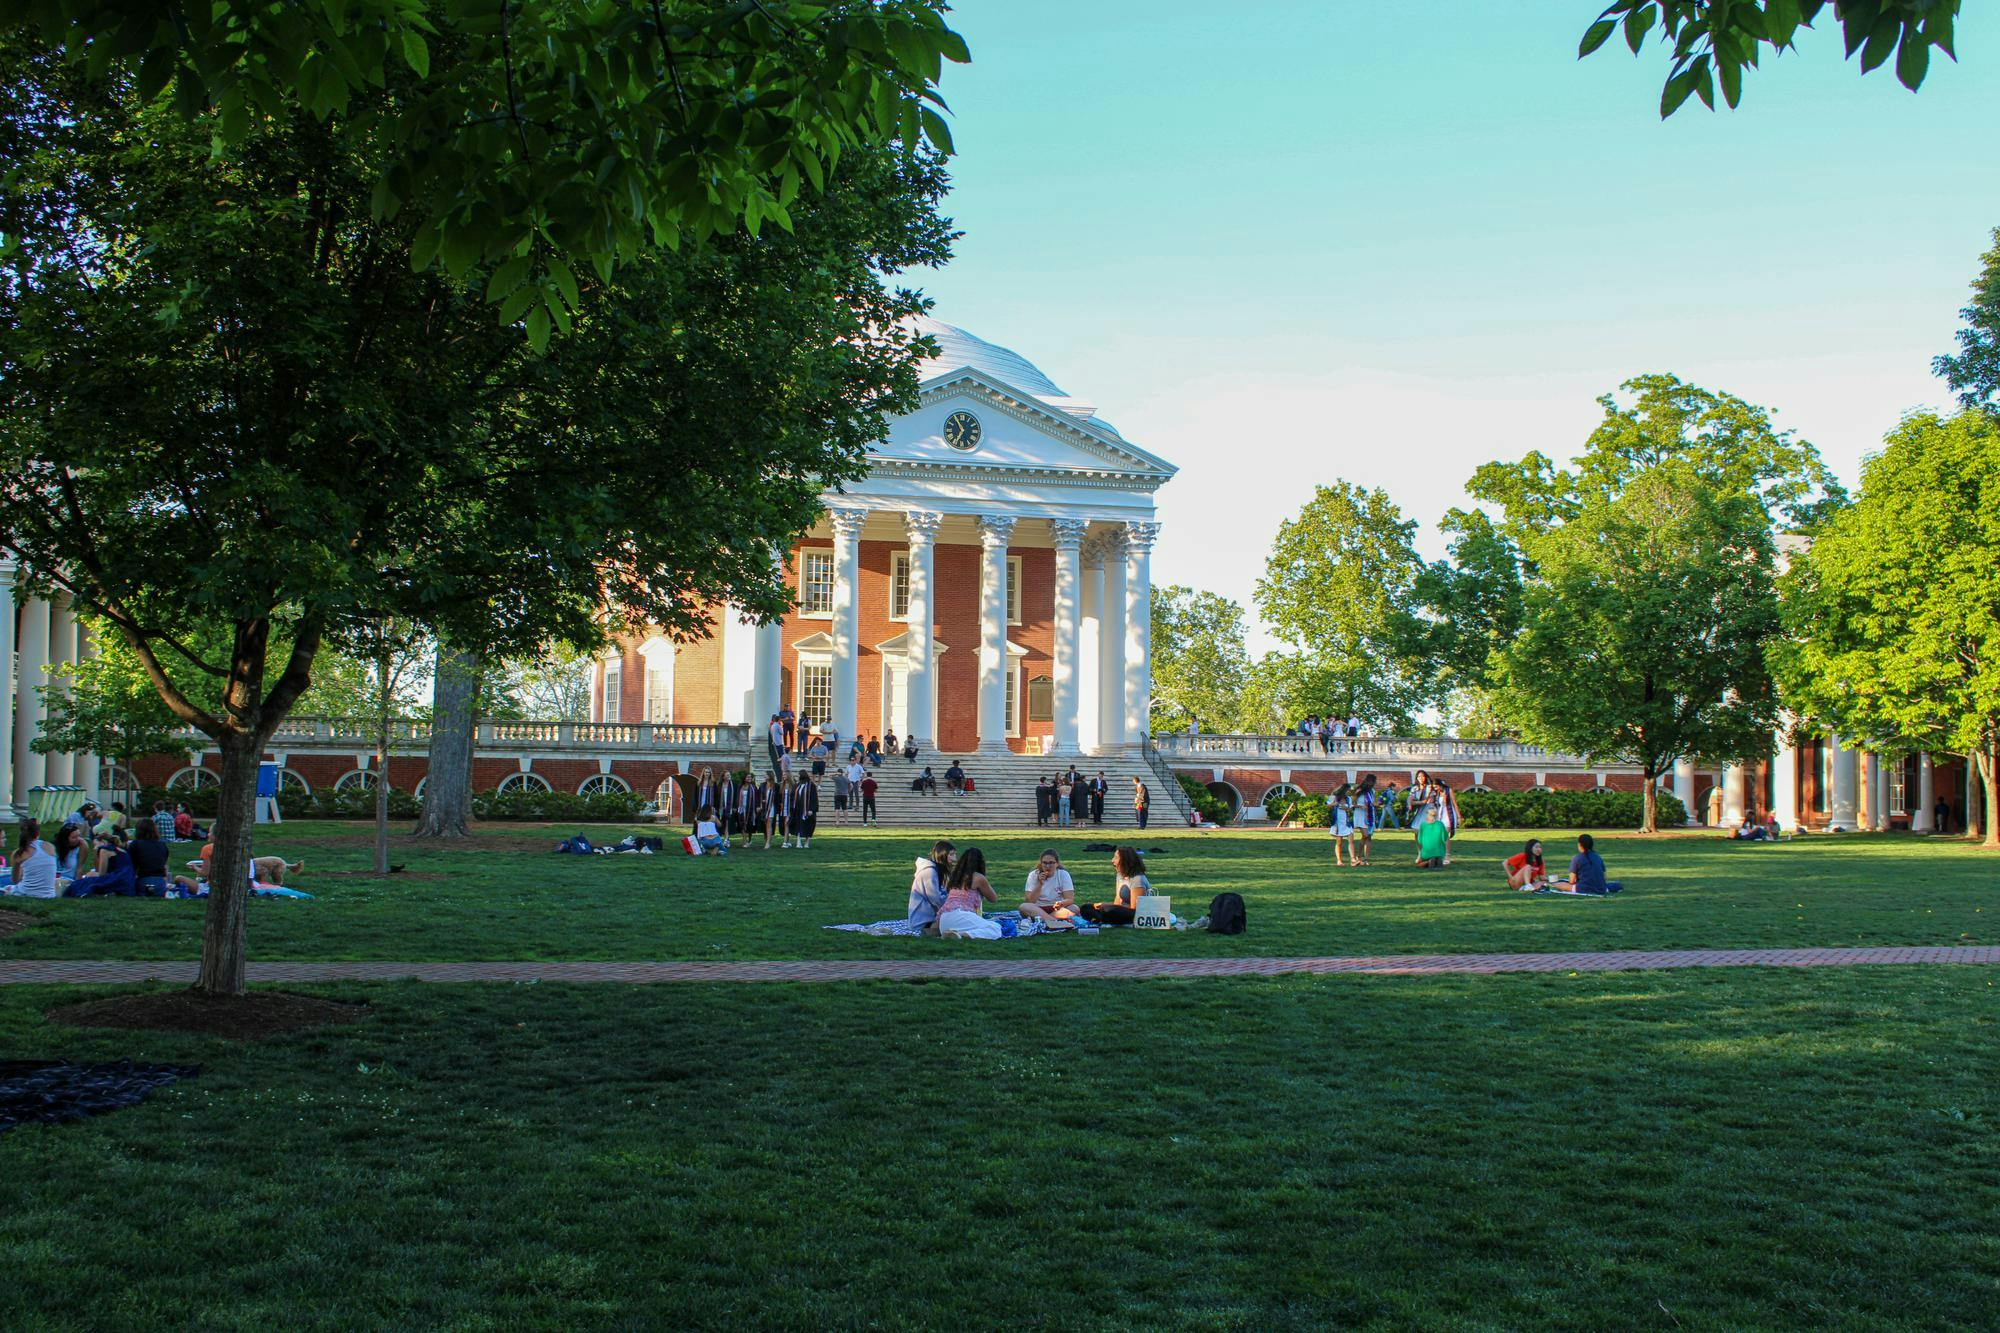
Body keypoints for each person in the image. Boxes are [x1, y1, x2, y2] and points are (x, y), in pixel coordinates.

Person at [936, 847, 1002, 939]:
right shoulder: (978, 877)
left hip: (943, 920)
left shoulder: (954, 876)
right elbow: (993, 899)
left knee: (986, 924)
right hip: (960, 915)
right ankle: (962, 935)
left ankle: (953, 934)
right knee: (995, 928)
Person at [1081, 847, 1151, 926]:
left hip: (1135, 913)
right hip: (1120, 910)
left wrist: (1108, 907)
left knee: (1109, 910)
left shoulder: (1137, 879)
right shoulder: (1120, 876)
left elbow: (1136, 909)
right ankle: (1104, 918)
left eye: (1116, 858)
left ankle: (1103, 918)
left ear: (1125, 861)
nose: (1112, 861)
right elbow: (1117, 901)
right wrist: (1103, 905)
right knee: (1086, 908)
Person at [65, 831, 135, 897]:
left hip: (118, 878)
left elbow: (101, 874)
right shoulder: (123, 851)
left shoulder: (104, 849)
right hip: (129, 881)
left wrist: (96, 850)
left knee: (80, 883)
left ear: (103, 842)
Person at [1019, 849, 1077, 928]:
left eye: (1051, 863)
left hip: (1056, 909)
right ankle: (1053, 922)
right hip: (1037, 908)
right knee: (1024, 906)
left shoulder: (1063, 874)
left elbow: (1070, 899)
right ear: (1041, 863)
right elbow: (1030, 901)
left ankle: (1046, 921)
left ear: (1057, 864)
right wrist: (1040, 884)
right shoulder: (1033, 875)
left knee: (1074, 908)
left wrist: (1061, 903)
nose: (1047, 866)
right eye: (1045, 863)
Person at [5, 820, 60, 899]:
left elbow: (15, 880)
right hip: (49, 895)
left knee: (7, 887)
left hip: (27, 893)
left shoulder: (19, 853)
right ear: (38, 833)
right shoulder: (50, 847)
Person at [908, 841, 954, 931]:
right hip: (922, 924)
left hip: (930, 918)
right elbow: (936, 900)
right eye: (951, 855)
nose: (954, 859)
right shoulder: (929, 872)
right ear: (942, 855)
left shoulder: (935, 871)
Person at [126, 821, 171, 894]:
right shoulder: (162, 845)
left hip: (143, 882)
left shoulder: (136, 844)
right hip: (160, 883)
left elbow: (131, 866)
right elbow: (165, 865)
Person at [1353, 774, 1378, 866]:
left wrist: (1377, 803)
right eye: (1372, 782)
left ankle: (1366, 859)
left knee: (1368, 837)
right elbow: (1352, 804)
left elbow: (1374, 802)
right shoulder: (1359, 791)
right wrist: (1360, 806)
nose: (1373, 784)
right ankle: (1358, 856)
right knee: (1365, 835)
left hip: (1370, 815)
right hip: (1360, 815)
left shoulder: (1372, 791)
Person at [1329, 782, 1355, 867]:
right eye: (1348, 790)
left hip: (1346, 822)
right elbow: (1327, 805)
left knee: (1351, 841)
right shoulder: (1335, 797)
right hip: (1337, 823)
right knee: (1339, 843)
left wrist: (1346, 808)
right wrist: (1334, 804)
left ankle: (1353, 859)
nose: (1349, 792)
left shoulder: (1349, 799)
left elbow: (1351, 810)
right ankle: (1339, 861)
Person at [790, 776, 819, 850]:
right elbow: (793, 796)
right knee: (799, 825)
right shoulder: (797, 785)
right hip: (799, 809)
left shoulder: (811, 786)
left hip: (808, 809)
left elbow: (814, 798)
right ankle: (798, 842)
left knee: (808, 825)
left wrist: (811, 809)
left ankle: (807, 842)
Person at [1436, 783, 1461, 866]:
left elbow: (1454, 804)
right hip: (1439, 815)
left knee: (1445, 835)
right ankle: (1439, 855)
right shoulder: (1436, 793)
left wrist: (1459, 817)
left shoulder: (1448, 790)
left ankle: (1447, 856)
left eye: (1436, 786)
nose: (1435, 788)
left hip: (1448, 815)